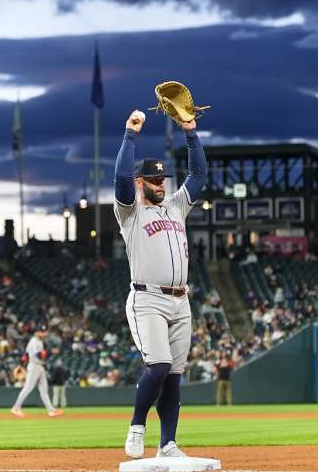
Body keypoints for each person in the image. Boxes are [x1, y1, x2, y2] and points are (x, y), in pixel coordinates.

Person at [115, 108, 206, 459]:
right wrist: (130, 135)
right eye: (153, 181)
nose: (160, 184)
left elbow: (198, 174)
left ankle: (167, 444)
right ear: (141, 183)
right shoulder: (129, 213)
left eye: (162, 179)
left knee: (174, 377)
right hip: (147, 299)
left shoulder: (175, 206)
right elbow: (122, 178)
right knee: (159, 366)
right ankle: (137, 426)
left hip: (180, 301)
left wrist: (191, 133)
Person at [9, 326, 62, 418]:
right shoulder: (34, 342)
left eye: (44, 331)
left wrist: (23, 363)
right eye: (42, 331)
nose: (44, 333)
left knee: (44, 390)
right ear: (37, 332)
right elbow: (38, 356)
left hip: (39, 366)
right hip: (34, 366)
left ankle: (51, 410)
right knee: (28, 388)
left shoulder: (38, 341)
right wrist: (51, 351)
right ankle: (16, 408)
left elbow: (25, 355)